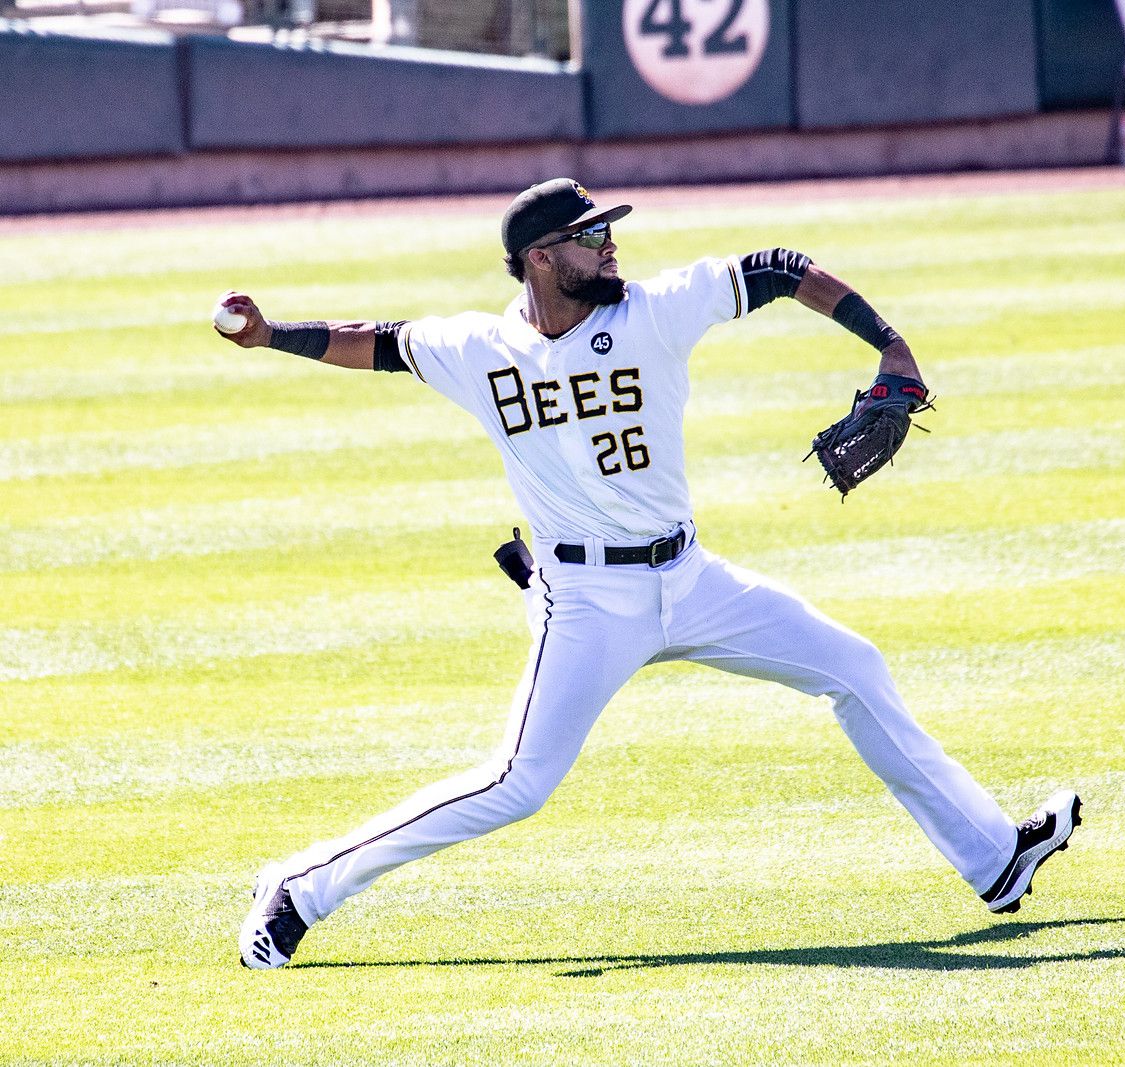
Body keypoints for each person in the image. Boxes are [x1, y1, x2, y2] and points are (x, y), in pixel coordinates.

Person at [225, 178, 1081, 970]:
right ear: (540, 258)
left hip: (693, 579)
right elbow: (375, 344)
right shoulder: (476, 347)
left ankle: (995, 857)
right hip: (587, 603)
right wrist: (269, 336)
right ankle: (300, 887)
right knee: (517, 783)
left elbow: (780, 270)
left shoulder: (652, 312)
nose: (609, 246)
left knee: (853, 667)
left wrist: (890, 344)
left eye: (607, 233)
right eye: (589, 236)